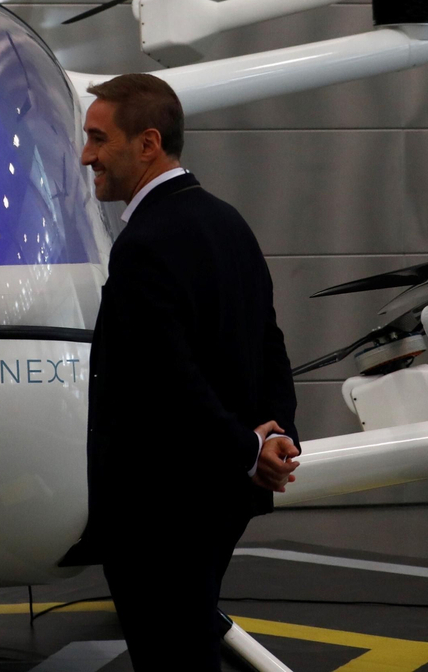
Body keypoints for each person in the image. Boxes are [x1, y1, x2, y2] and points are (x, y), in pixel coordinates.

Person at [65, 73, 300, 672]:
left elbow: (169, 380)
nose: (87, 155)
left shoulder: (145, 242)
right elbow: (269, 344)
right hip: (222, 498)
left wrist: (249, 449)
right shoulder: (229, 222)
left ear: (148, 143)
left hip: (161, 507)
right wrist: (276, 438)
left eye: (98, 138)